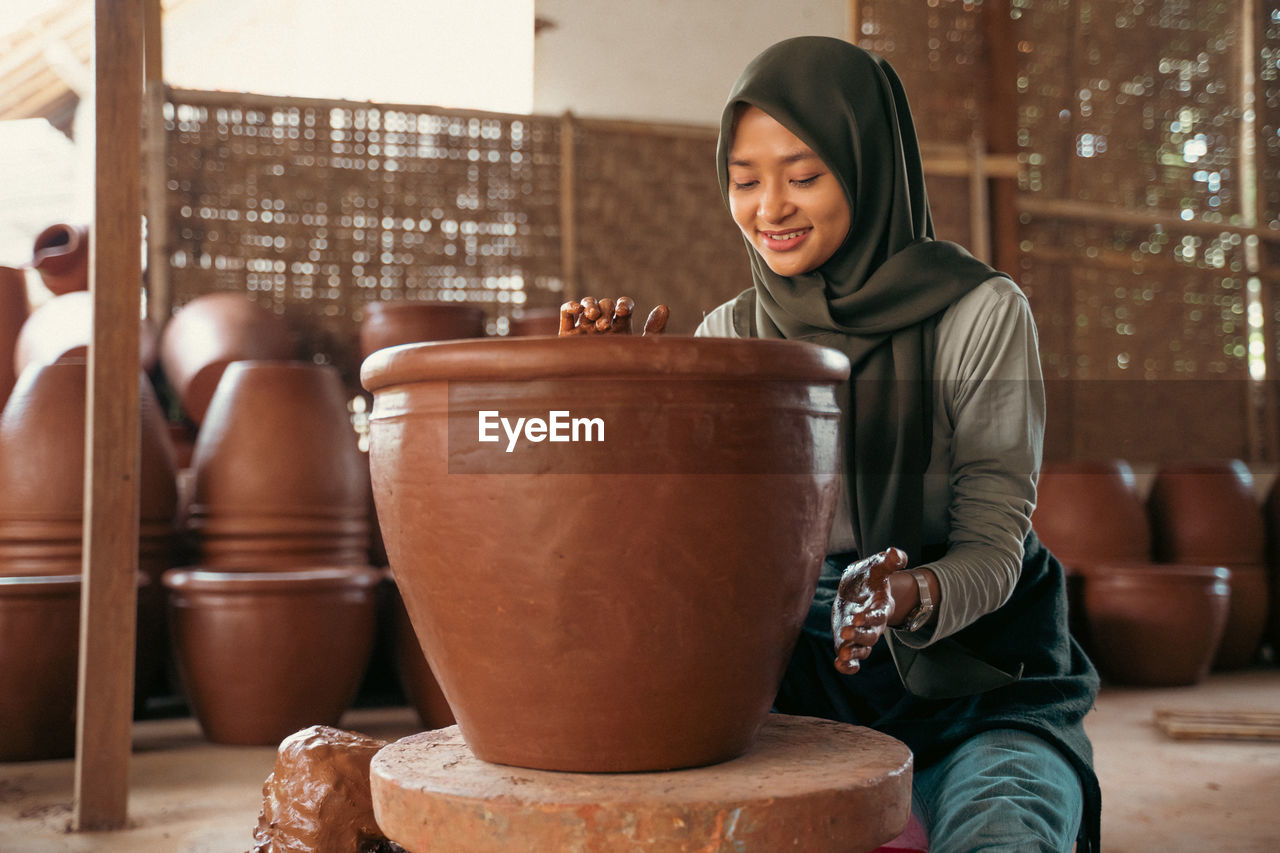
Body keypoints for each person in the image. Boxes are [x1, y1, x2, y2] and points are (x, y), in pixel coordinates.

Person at [562, 36, 1099, 853]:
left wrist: (905, 593)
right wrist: (612, 398)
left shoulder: (980, 314)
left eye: (804, 175)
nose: (769, 207)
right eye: (745, 180)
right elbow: (678, 546)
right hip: (790, 668)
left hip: (977, 671)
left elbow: (995, 542)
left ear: (870, 165)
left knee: (1003, 828)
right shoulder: (733, 334)